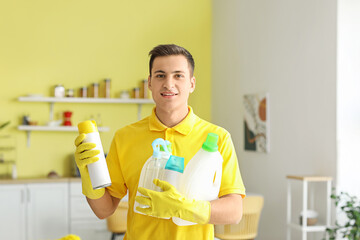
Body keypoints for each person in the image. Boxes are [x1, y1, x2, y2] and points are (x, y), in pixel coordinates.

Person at [74, 44, 246, 239]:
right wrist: (88, 175)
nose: (169, 84)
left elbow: (234, 211)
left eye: (178, 75)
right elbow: (103, 210)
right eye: (160, 75)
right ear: (150, 83)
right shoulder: (125, 137)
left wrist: (184, 208)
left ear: (192, 83)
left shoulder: (217, 138)